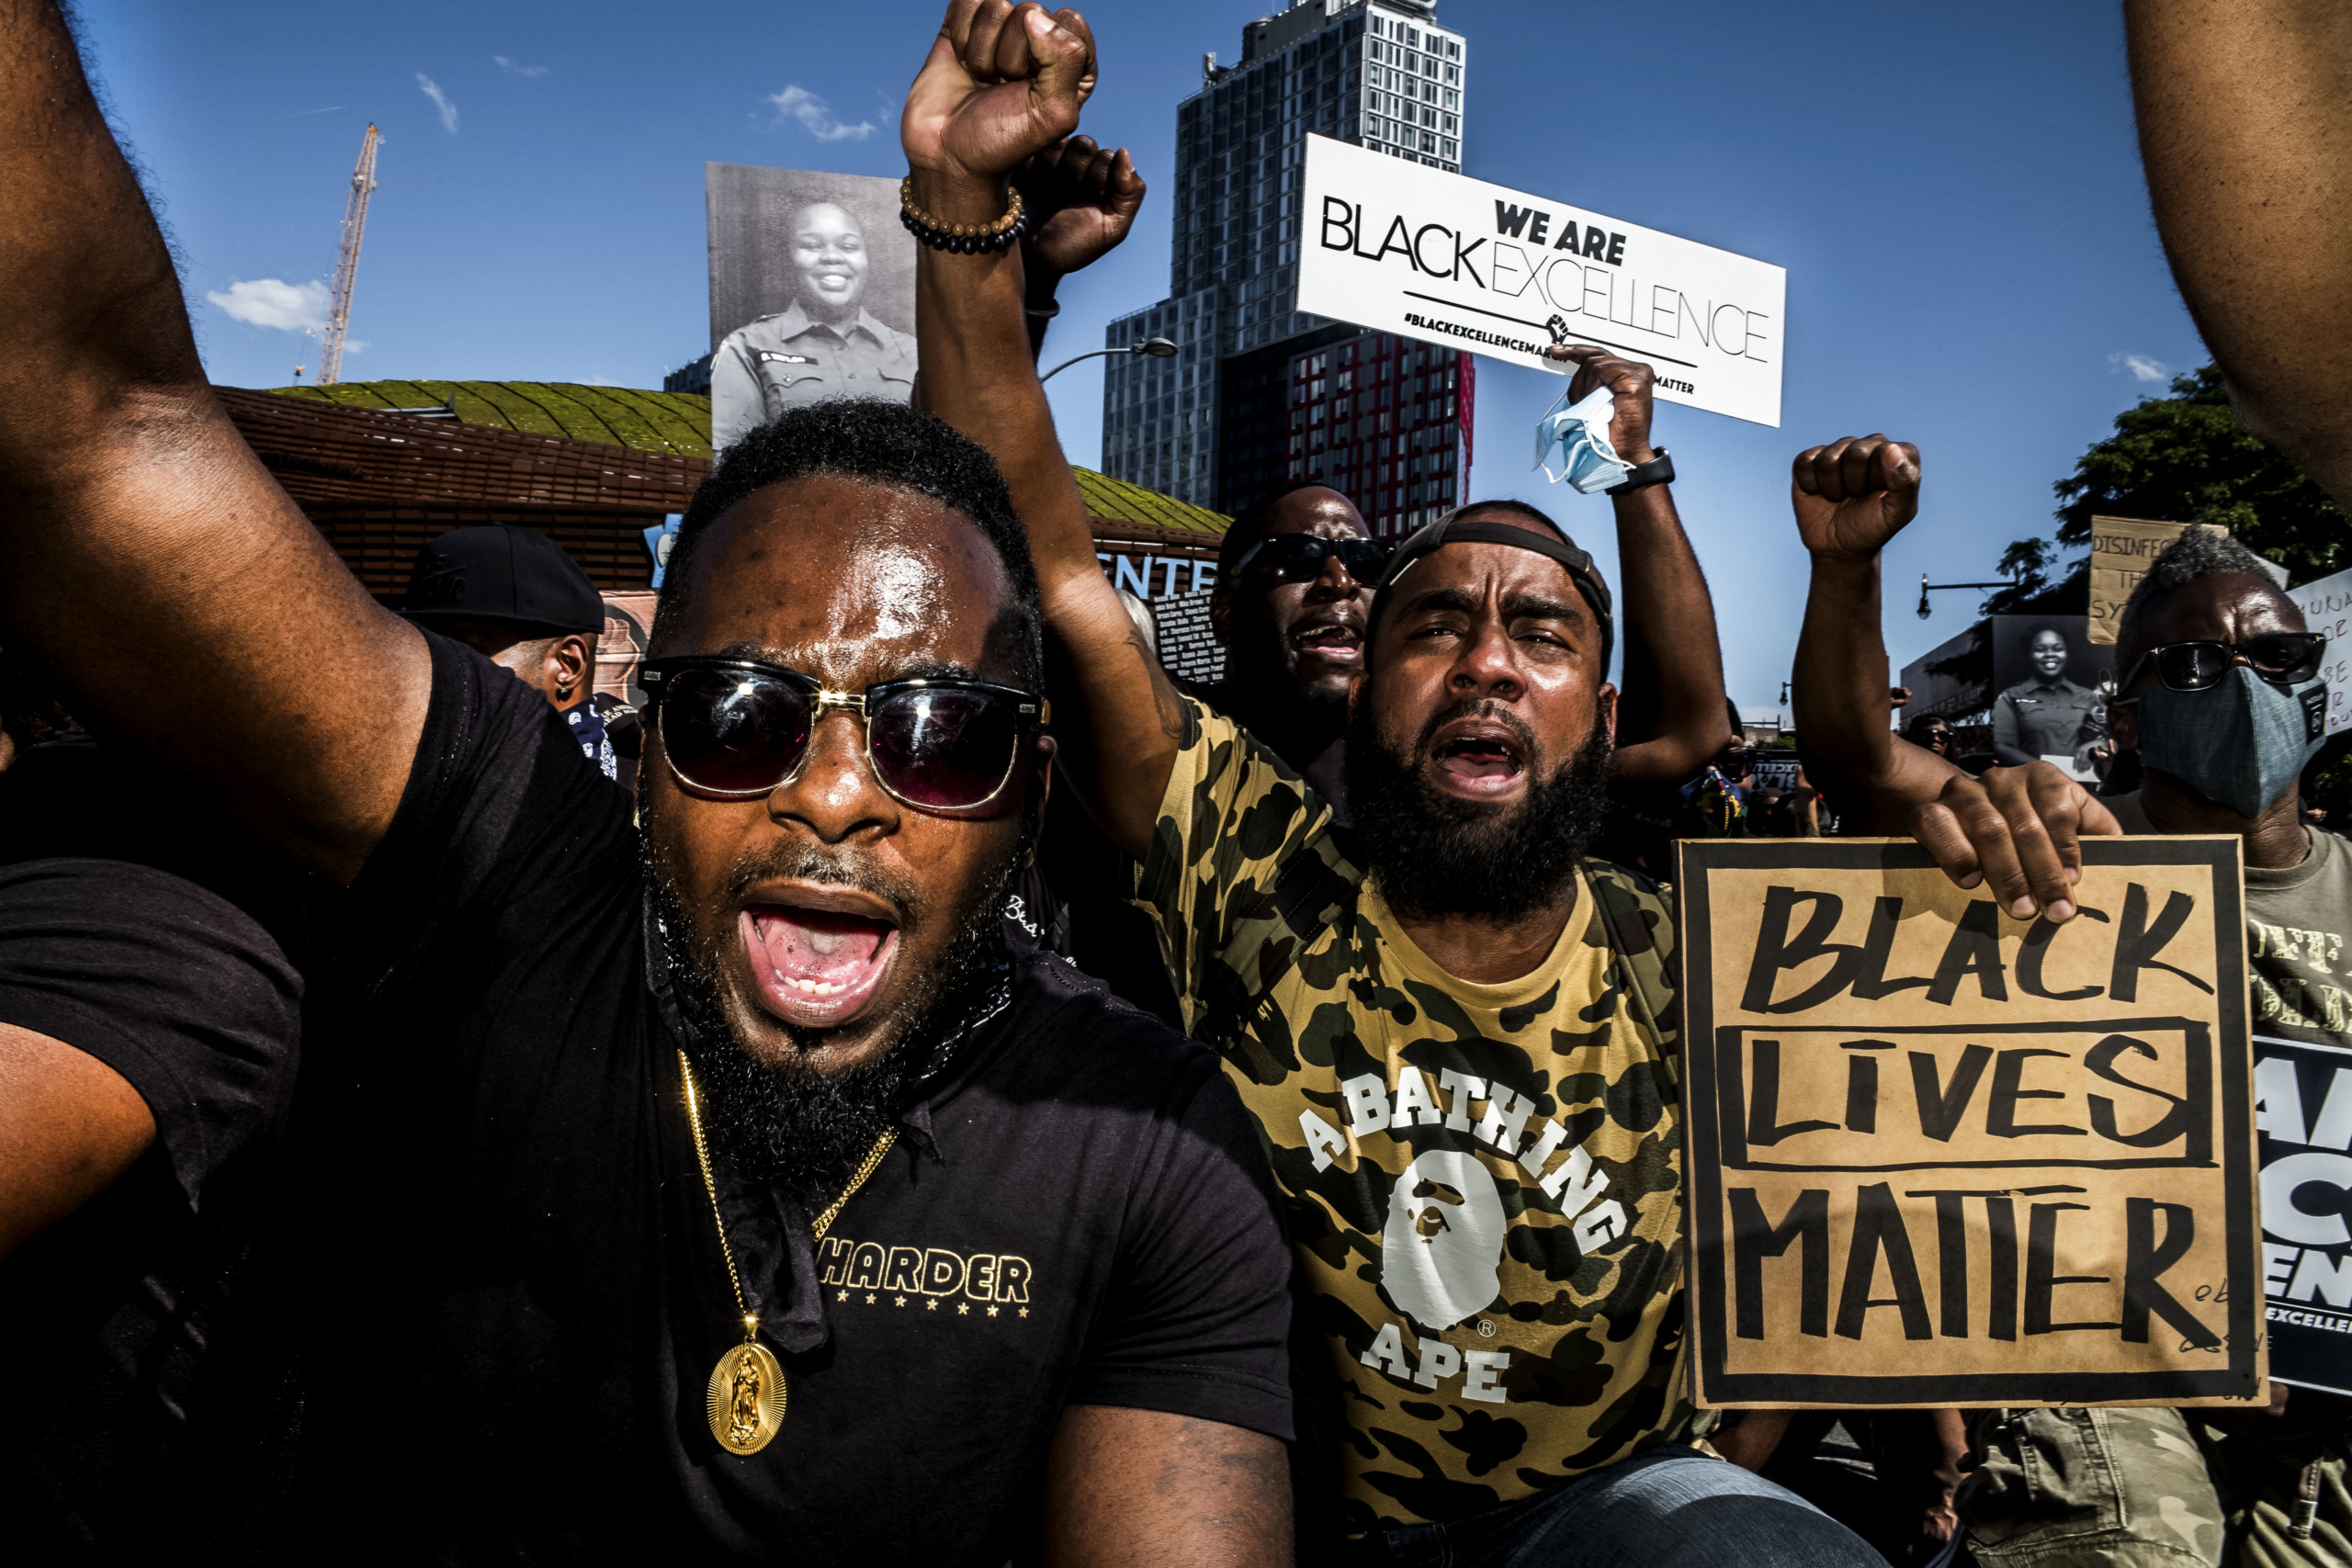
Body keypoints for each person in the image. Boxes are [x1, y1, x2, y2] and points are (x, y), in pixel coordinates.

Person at [0, 3, 1297, 1558]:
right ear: (637, 743)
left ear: (1029, 787)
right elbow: (94, 427)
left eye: (938, 732)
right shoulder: (514, 890)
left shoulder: (1149, 1139)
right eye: (741, 715)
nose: (833, 794)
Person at [905, 7, 2056, 1558]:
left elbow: (1845, 1215)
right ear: (1374, 684)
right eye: (1435, 625)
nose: (1488, 663)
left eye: (1543, 633)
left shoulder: (1701, 959)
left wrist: (2030, 849)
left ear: (1602, 713)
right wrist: (963, 207)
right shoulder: (1252, 865)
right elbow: (1048, 566)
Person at [1790, 447, 2349, 1563]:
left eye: (2275, 654)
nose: (2243, 683)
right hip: (2100, 1366)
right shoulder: (2058, 851)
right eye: (2191, 665)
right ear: (2126, 718)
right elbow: (1857, 758)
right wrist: (1847, 572)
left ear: (2314, 680)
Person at [401, 523, 618, 781]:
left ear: (567, 665)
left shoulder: (638, 793)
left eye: (467, 656)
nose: (433, 678)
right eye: (427, 653)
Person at [710, 200, 920, 451]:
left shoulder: (913, 353)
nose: (832, 257)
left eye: (848, 246)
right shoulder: (746, 347)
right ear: (788, 259)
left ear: (867, 259)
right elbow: (729, 458)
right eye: (812, 245)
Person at [1989, 622, 2104, 776]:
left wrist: (2093, 746)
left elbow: (2109, 739)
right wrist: (2044, 771)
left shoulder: (2088, 697)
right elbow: (2002, 747)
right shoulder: (2010, 697)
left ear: (2066, 653)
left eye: (2058, 648)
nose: (2050, 654)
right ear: (2029, 654)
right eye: (2040, 649)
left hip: (2083, 785)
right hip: (2034, 784)